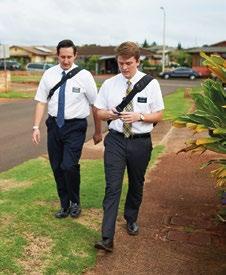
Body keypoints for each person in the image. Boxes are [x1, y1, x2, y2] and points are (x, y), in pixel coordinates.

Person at [94, 41, 164, 252]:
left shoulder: (151, 84)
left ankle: (131, 218)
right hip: (115, 140)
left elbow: (159, 114)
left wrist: (139, 116)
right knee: (112, 187)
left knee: (136, 184)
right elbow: (98, 111)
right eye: (121, 63)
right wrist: (109, 114)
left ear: (138, 62)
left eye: (128, 63)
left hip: (140, 143)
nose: (124, 68)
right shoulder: (109, 84)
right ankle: (107, 238)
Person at [32, 39, 102, 219]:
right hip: (54, 126)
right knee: (56, 166)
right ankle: (64, 205)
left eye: (69, 57)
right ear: (57, 55)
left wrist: (98, 131)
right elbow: (41, 101)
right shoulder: (48, 74)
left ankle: (75, 202)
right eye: (62, 57)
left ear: (75, 56)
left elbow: (96, 105)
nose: (66, 60)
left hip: (75, 127)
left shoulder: (85, 76)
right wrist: (36, 127)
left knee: (68, 165)